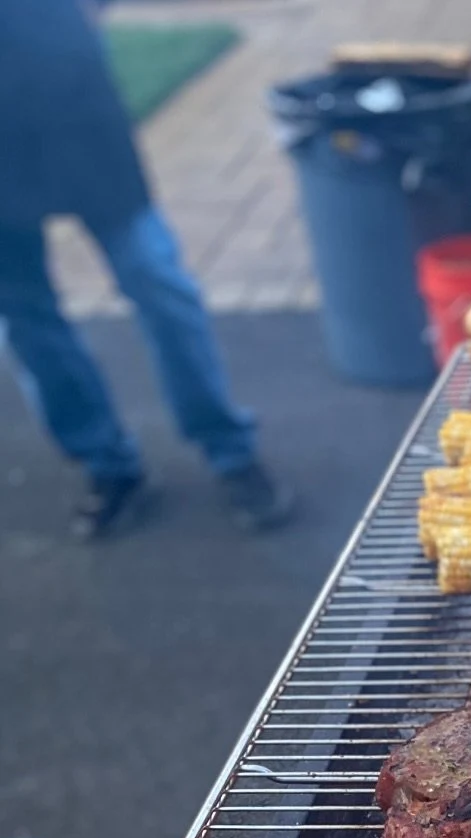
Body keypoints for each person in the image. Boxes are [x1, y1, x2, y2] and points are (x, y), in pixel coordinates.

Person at [0, 0, 293, 538]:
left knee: (158, 283)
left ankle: (229, 449)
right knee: (24, 319)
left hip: (71, 101)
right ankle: (106, 463)